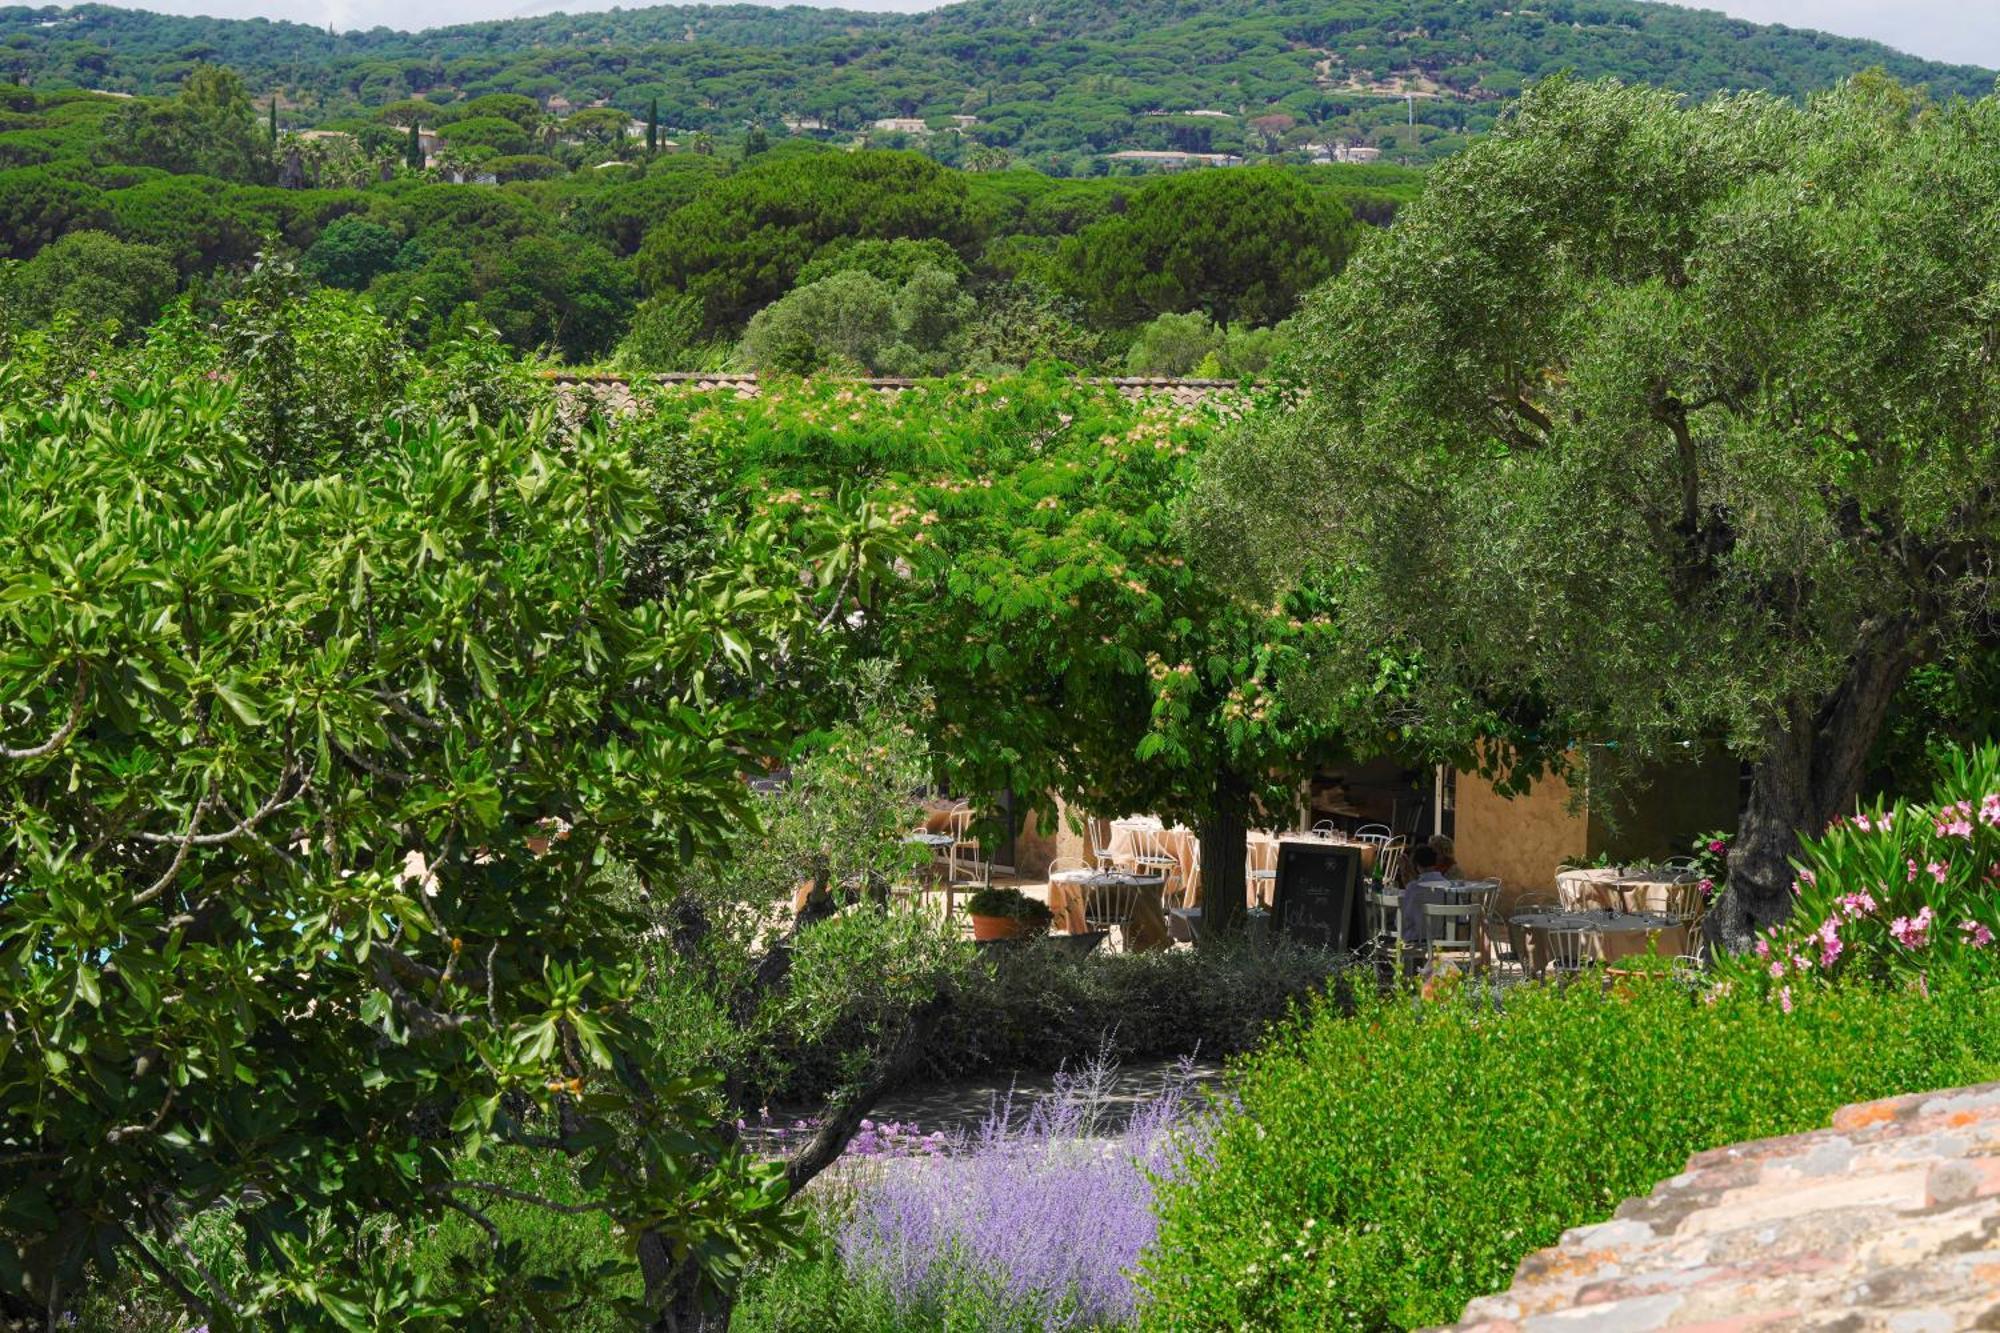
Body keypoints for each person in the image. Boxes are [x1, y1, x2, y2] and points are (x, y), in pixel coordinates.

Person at [1400, 844, 1449, 947]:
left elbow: (1404, 918)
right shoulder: (1448, 886)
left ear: (1416, 865)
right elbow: (1461, 919)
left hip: (1417, 939)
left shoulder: (1413, 887)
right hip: (1443, 940)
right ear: (1436, 863)